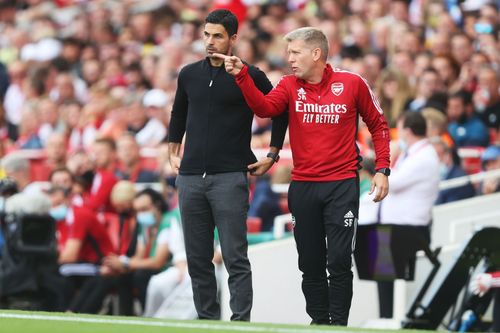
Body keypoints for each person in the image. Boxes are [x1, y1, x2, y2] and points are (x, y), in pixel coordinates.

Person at [214, 27, 390, 325]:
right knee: (310, 263)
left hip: (341, 185)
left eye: (295, 52)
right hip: (304, 186)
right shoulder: (288, 85)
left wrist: (383, 170)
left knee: (338, 261)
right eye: (289, 53)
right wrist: (241, 75)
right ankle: (319, 322)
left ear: (316, 53)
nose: (290, 59)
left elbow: (379, 125)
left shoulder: (352, 83)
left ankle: (338, 324)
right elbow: (265, 108)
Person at [167, 9, 288, 321]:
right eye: (206, 34)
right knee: (197, 258)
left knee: (235, 256)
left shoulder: (250, 75)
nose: (210, 41)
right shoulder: (189, 74)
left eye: (217, 35)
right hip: (190, 177)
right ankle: (207, 321)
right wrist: (172, 150)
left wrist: (273, 154)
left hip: (230, 176)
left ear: (233, 38)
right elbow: (178, 113)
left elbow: (279, 110)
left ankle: (239, 323)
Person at [377, 112, 440, 318]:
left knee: (387, 276)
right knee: (382, 275)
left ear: (408, 130)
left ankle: (392, 319)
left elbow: (391, 183)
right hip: (398, 227)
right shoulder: (413, 154)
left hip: (410, 229)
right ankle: (386, 319)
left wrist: (382, 162)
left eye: (401, 129)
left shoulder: (424, 156)